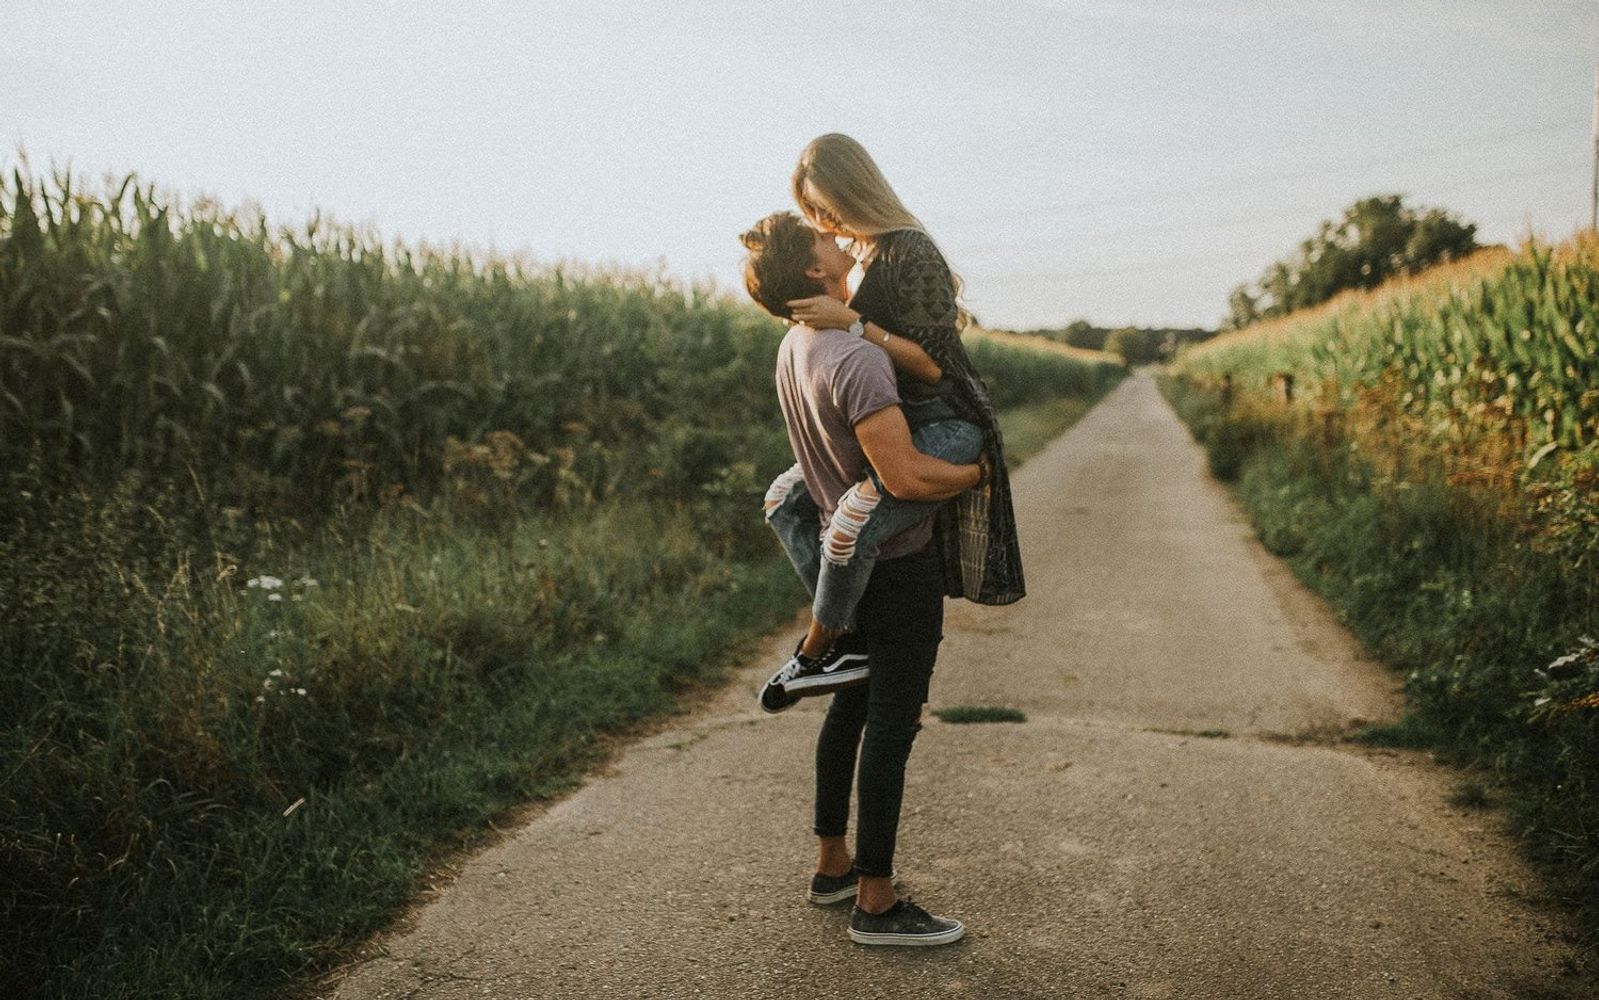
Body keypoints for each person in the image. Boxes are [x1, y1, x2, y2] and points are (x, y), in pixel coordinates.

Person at [740, 209, 975, 946]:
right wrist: (974, 472)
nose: (834, 236)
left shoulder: (794, 346)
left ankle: (832, 865)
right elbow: (901, 475)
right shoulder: (857, 358)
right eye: (819, 237)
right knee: (891, 726)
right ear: (814, 272)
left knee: (848, 711)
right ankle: (875, 901)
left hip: (856, 568)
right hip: (897, 570)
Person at [757, 132, 1026, 710]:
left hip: (940, 420)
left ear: (854, 191)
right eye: (813, 213)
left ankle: (819, 646)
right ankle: (847, 636)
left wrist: (849, 324)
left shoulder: (910, 250)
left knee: (853, 520)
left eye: (826, 208)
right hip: (884, 419)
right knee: (783, 499)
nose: (824, 222)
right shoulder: (863, 255)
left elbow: (932, 366)